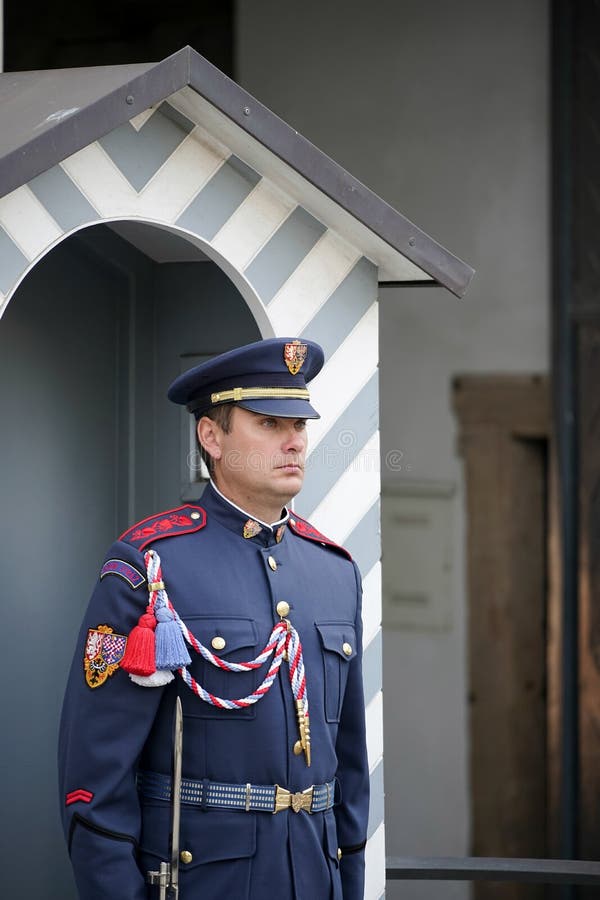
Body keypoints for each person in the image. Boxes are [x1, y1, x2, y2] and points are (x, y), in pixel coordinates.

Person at [58, 337, 369, 900]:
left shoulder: (335, 572)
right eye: (270, 423)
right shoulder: (148, 565)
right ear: (212, 436)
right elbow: (93, 783)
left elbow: (348, 773)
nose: (294, 440)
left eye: (299, 424)